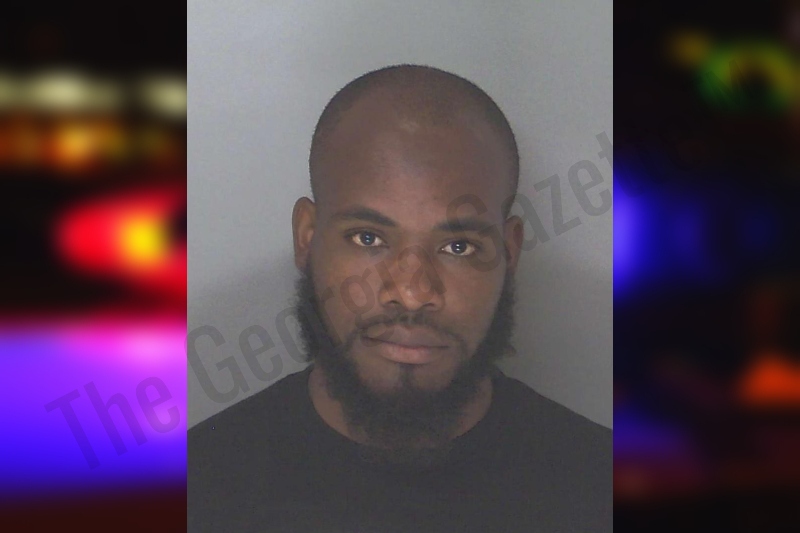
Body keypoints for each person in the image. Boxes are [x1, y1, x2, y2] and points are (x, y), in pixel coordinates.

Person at [188, 64, 611, 533]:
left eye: (458, 247)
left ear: (509, 253)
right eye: (368, 238)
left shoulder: (601, 490)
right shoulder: (196, 492)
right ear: (307, 237)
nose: (411, 294)